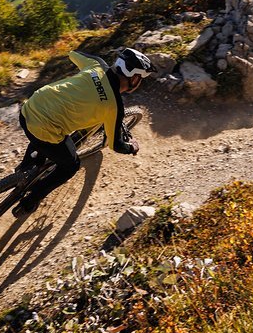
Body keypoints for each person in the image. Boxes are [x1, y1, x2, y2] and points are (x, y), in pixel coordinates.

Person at [11, 47, 153, 216]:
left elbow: (73, 53)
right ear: (135, 78)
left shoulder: (96, 65)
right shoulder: (114, 107)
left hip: (31, 107)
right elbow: (115, 145)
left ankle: (23, 170)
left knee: (41, 134)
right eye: (141, 79)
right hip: (45, 128)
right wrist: (131, 147)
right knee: (71, 165)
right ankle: (30, 201)